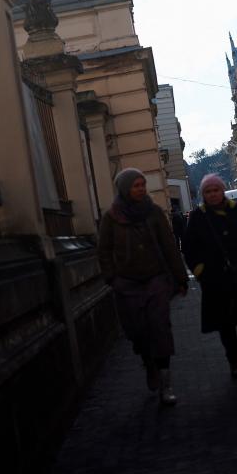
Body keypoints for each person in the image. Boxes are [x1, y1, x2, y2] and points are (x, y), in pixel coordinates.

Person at [97, 168, 189, 406]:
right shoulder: (111, 217)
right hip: (127, 284)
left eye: (142, 184)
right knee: (138, 332)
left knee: (160, 328)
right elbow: (104, 250)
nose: (140, 189)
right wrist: (112, 278)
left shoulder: (154, 213)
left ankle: (166, 383)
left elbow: (169, 246)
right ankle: (149, 364)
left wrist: (180, 278)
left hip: (156, 279)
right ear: (125, 188)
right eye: (136, 185)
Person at [183, 174, 237, 387]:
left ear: (222, 191)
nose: (213, 194)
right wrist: (200, 271)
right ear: (203, 195)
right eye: (208, 191)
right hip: (215, 283)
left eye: (216, 190)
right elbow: (189, 248)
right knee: (226, 327)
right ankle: (234, 361)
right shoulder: (197, 217)